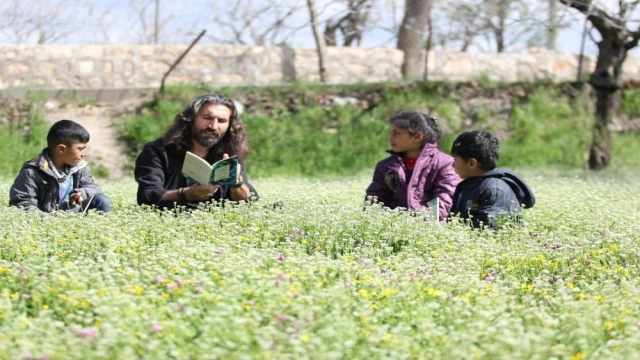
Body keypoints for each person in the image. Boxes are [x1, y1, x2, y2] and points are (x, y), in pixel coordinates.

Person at [135, 94, 258, 209]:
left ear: (229, 125)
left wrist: (236, 183)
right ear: (191, 118)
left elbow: (249, 200)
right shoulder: (158, 151)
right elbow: (147, 197)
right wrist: (186, 194)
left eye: (221, 121)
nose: (213, 126)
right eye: (207, 118)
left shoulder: (229, 153)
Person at [365, 111, 460, 219]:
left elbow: (443, 204)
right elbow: (374, 200)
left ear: (417, 137)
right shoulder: (385, 166)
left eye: (396, 134)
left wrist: (415, 221)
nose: (390, 139)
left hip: (427, 228)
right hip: (390, 226)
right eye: (390, 133)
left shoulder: (445, 164)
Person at [9, 120, 112, 213]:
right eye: (80, 149)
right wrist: (51, 222)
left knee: (102, 200)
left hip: (74, 217)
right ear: (61, 149)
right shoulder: (32, 173)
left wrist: (81, 193)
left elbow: (93, 187)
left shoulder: (80, 167)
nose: (85, 153)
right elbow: (23, 206)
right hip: (48, 222)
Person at [449, 130, 535, 230]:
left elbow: (489, 227)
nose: (452, 165)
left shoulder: (495, 189)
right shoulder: (468, 185)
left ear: (472, 163)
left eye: (455, 160)